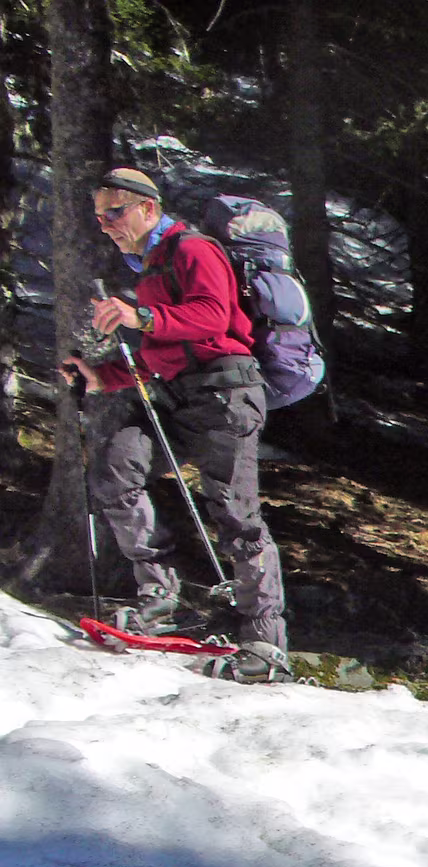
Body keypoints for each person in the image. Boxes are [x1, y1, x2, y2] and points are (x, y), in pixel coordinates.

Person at [59, 167, 289, 682]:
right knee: (116, 468)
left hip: (227, 395)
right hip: (180, 395)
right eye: (99, 216)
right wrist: (101, 376)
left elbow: (212, 318)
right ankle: (161, 600)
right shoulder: (151, 267)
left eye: (114, 212)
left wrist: (140, 317)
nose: (105, 224)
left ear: (148, 207)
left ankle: (266, 646)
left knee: (237, 516)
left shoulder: (194, 250)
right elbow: (164, 352)